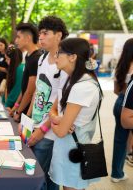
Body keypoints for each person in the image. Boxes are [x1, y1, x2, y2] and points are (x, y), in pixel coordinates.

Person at [48, 38, 102, 190]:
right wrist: (57, 118)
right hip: (70, 148)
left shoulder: (81, 86)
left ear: (72, 57)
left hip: (73, 151)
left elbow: (61, 131)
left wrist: (55, 122)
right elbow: (53, 110)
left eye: (59, 53)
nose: (55, 57)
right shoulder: (74, 80)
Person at [23, 16, 69, 190]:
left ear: (58, 35)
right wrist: (26, 118)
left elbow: (62, 102)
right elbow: (37, 89)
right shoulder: (42, 59)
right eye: (39, 33)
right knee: (41, 177)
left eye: (45, 33)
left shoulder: (64, 61)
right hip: (35, 125)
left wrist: (43, 129)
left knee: (41, 178)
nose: (40, 37)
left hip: (49, 132)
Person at [111, 38, 133, 182]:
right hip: (129, 106)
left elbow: (115, 90)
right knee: (125, 141)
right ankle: (118, 172)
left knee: (119, 140)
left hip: (119, 102)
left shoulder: (120, 66)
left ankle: (116, 172)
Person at [10, 23, 42, 122]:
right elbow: (24, 88)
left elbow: (30, 91)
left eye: (18, 37)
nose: (16, 41)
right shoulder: (28, 56)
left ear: (28, 38)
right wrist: (16, 106)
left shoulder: (35, 58)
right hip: (23, 108)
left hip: (29, 111)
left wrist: (18, 112)